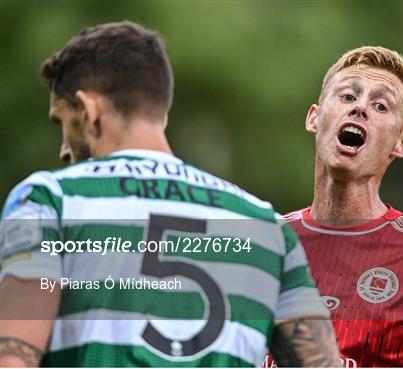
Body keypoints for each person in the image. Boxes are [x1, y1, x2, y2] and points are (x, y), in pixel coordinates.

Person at [0, 21, 341, 367]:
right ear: (159, 112)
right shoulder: (266, 227)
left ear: (88, 111)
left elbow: (14, 358)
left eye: (62, 123)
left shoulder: (48, 199)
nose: (63, 150)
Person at [264, 46, 403, 367]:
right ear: (314, 118)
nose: (360, 108)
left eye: (380, 105)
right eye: (347, 96)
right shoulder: (259, 246)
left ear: (402, 142)